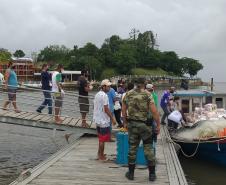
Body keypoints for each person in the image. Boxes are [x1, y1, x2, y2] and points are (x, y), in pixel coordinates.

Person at [122, 77, 160, 181]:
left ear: (135, 83)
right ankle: (152, 175)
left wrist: (125, 122)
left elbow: (123, 110)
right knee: (148, 148)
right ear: (144, 84)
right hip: (145, 126)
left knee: (132, 149)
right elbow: (154, 111)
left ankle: (131, 174)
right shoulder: (148, 94)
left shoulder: (128, 94)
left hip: (132, 125)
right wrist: (158, 125)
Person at [93, 79, 116, 161]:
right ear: (103, 86)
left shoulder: (97, 94)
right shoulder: (105, 96)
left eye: (109, 86)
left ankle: (99, 153)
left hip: (97, 120)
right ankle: (101, 156)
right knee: (103, 139)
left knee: (100, 138)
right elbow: (106, 109)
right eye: (108, 86)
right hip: (103, 121)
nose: (109, 87)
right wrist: (112, 118)